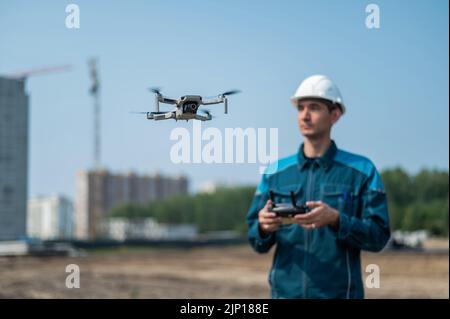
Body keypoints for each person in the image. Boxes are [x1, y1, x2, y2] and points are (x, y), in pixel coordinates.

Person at [246, 75, 390, 299]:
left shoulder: (362, 170)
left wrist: (336, 219)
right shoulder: (275, 171)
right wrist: (263, 228)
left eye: (314, 107)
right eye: (300, 107)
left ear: (335, 115)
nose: (304, 115)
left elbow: (378, 236)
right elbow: (256, 240)